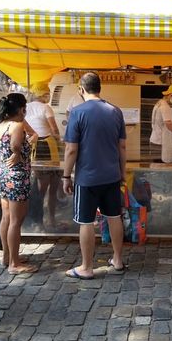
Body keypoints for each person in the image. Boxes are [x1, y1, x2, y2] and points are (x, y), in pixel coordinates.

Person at [63, 72, 126, 279]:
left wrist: (66, 176)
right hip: (112, 175)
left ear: (81, 90)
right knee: (114, 216)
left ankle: (87, 267)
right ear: (100, 88)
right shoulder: (115, 111)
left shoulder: (77, 112)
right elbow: (122, 146)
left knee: (86, 221)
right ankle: (117, 259)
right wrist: (122, 172)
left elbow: (71, 149)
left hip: (87, 177)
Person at [0, 93, 38, 275]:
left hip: (3, 175)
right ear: (20, 109)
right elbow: (16, 146)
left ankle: (7, 256)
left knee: (6, 218)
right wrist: (20, 150)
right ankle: (14, 264)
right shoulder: (17, 126)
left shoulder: (0, 125)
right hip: (17, 177)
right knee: (16, 221)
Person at [26, 82, 62, 229]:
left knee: (38, 186)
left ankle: (37, 221)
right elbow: (54, 130)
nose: (49, 96)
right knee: (52, 185)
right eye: (47, 93)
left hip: (32, 146)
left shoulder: (26, 108)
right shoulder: (46, 108)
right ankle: (51, 219)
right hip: (47, 146)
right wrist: (60, 139)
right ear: (42, 94)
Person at [150, 84, 172, 163]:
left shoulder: (159, 103)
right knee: (161, 167)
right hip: (161, 142)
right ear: (171, 95)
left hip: (154, 140)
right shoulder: (165, 107)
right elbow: (169, 125)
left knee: (155, 168)